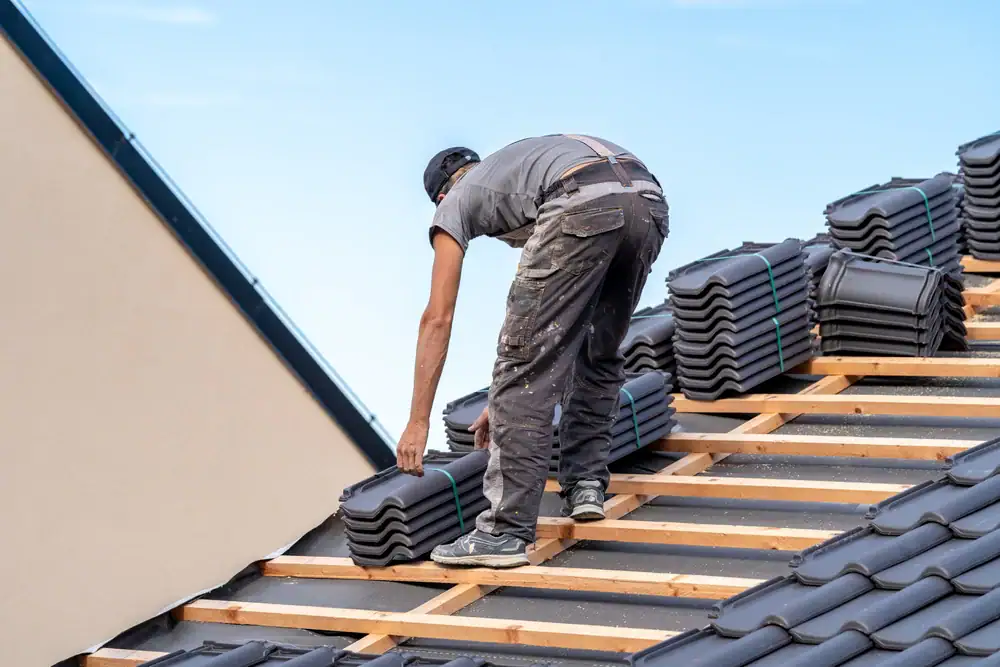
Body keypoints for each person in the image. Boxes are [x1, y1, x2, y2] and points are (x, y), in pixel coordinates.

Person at [396, 134, 669, 568]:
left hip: (578, 202)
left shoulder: (456, 200)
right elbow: (562, 332)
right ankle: (585, 485)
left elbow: (438, 317)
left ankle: (504, 532)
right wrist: (503, 400)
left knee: (520, 366)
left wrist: (418, 420)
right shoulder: (511, 170)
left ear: (442, 194)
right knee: (598, 348)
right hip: (648, 200)